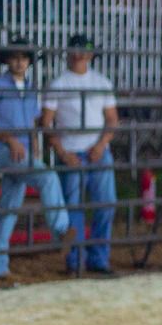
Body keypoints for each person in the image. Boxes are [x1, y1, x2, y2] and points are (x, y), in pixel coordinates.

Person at [0, 37, 73, 279]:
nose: (19, 62)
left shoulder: (29, 88)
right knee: (47, 177)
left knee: (9, 208)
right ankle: (60, 228)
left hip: (20, 149)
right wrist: (9, 139)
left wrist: (34, 143)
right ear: (7, 60)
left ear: (28, 62)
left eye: (24, 58)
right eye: (15, 57)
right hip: (4, 148)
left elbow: (31, 121)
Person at [41, 35, 118, 275]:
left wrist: (101, 144)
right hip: (73, 150)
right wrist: (62, 152)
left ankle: (96, 259)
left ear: (91, 55)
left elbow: (113, 119)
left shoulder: (102, 82)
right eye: (75, 50)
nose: (79, 55)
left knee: (105, 204)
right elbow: (46, 122)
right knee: (74, 206)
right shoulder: (58, 84)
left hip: (96, 150)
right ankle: (76, 260)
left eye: (84, 51)